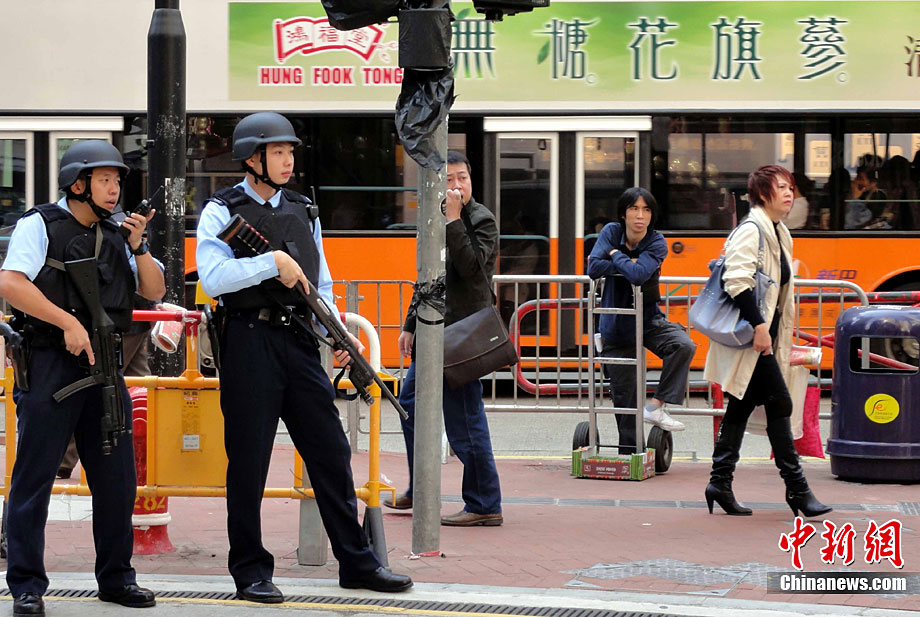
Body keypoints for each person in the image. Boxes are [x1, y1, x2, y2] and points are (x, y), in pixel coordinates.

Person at [196, 112, 412, 603]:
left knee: (330, 452)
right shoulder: (221, 210)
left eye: (290, 151)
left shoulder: (302, 208)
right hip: (248, 341)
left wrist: (338, 332)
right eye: (277, 152)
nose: (288, 160)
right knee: (248, 462)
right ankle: (250, 571)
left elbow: (321, 284)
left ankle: (357, 563)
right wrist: (270, 263)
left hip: (298, 339)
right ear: (252, 159)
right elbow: (213, 278)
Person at [0, 140, 164, 616]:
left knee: (117, 482)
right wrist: (66, 322)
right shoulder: (41, 224)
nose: (114, 190)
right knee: (34, 479)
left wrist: (139, 245)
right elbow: (10, 282)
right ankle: (26, 585)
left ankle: (117, 578)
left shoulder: (118, 232)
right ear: (77, 184)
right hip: (50, 362)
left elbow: (154, 289)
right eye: (104, 180)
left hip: (106, 366)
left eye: (117, 181)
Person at [383, 150, 503, 527]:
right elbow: (428, 276)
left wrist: (454, 221)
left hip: (462, 337)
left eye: (462, 178)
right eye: (449, 179)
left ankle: (484, 502)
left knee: (465, 420)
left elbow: (472, 270)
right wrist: (410, 323)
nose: (457, 185)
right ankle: (421, 487)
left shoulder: (481, 220)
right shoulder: (434, 217)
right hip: (433, 332)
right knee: (409, 405)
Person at [703, 164, 831, 518]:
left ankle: (719, 482)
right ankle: (797, 490)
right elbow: (736, 280)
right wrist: (759, 326)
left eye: (791, 187)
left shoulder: (779, 231)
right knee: (780, 402)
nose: (789, 193)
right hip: (752, 340)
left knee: (741, 406)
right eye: (781, 187)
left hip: (766, 340)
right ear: (762, 194)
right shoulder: (752, 230)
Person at [587, 188, 695, 453]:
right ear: (623, 213)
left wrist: (614, 255)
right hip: (615, 324)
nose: (640, 215)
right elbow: (593, 268)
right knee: (625, 399)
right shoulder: (611, 231)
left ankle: (656, 406)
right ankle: (632, 455)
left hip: (649, 319)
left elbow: (638, 275)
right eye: (634, 209)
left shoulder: (656, 241)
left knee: (683, 345)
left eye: (646, 210)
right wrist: (629, 263)